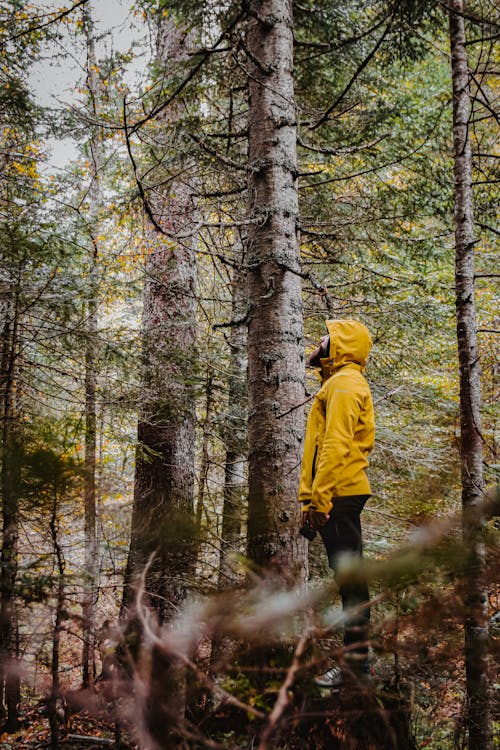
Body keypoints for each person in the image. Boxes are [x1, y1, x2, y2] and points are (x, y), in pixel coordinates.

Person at [298, 319, 375, 688]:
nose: (319, 340)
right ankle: (355, 667)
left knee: (351, 584)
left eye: (325, 335)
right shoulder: (339, 382)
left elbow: (335, 446)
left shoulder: (344, 384)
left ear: (342, 344)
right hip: (337, 494)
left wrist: (320, 499)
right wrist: (310, 500)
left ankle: (355, 669)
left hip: (339, 495)